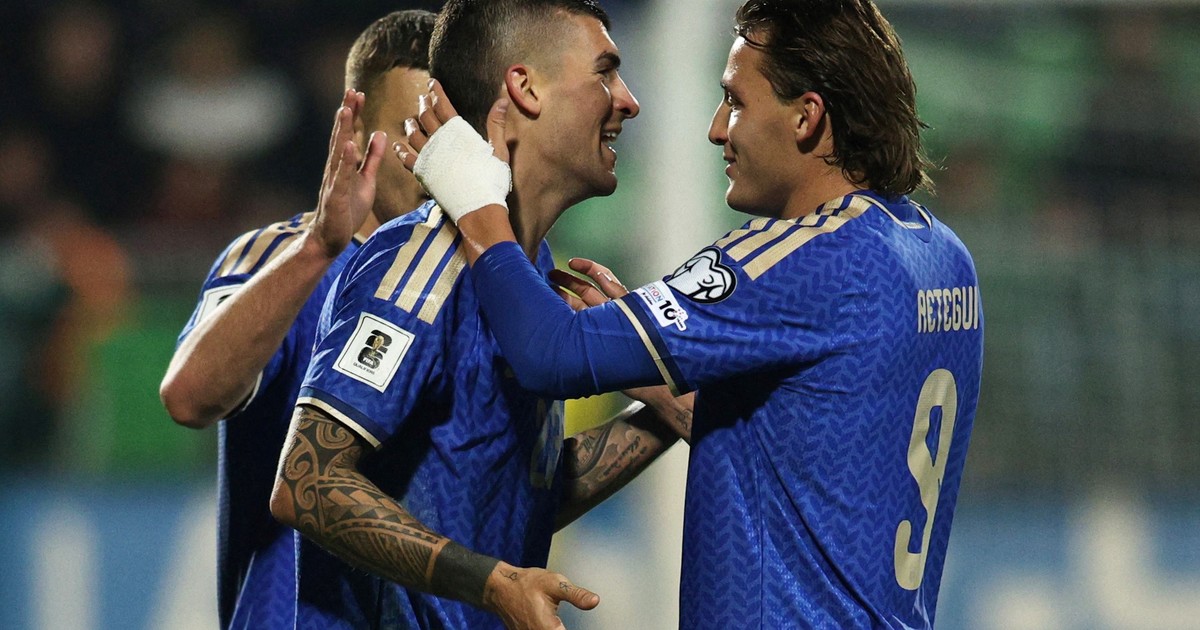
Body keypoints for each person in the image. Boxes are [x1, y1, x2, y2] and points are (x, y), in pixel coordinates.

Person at [398, 0, 985, 627]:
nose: (717, 129)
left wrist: (473, 197)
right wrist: (654, 370)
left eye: (735, 101)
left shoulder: (800, 259)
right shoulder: (944, 258)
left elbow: (549, 352)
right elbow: (804, 457)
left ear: (807, 116)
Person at [269, 1, 691, 628]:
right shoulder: (424, 258)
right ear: (525, 88)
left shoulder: (528, 269)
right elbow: (309, 483)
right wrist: (494, 585)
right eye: (604, 72)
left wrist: (666, 396)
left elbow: (507, 491)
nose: (627, 101)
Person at [158, 10, 436, 628]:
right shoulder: (275, 258)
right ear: (356, 132)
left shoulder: (476, 285)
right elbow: (189, 396)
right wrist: (316, 250)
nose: (429, 158)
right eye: (411, 132)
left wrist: (651, 421)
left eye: (447, 134)